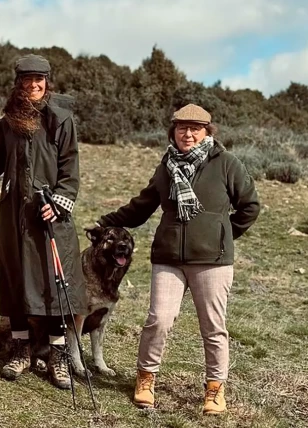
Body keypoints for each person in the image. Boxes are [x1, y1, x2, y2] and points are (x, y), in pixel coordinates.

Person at [96, 104, 260, 414]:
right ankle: (145, 378)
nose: (188, 133)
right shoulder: (166, 166)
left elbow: (249, 206)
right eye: (182, 127)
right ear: (173, 131)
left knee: (213, 327)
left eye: (195, 128)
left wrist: (221, 235)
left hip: (213, 261)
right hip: (169, 257)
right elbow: (141, 207)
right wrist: (105, 221)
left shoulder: (226, 164)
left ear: (206, 132)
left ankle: (215, 389)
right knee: (159, 319)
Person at [0, 54, 87, 390]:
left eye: (40, 79)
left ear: (47, 81)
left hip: (50, 216)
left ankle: (58, 355)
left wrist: (61, 203)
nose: (34, 85)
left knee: (54, 284)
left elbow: (70, 170)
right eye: (28, 79)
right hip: (14, 215)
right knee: (17, 280)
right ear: (18, 83)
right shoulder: (6, 124)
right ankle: (20, 349)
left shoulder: (61, 120)